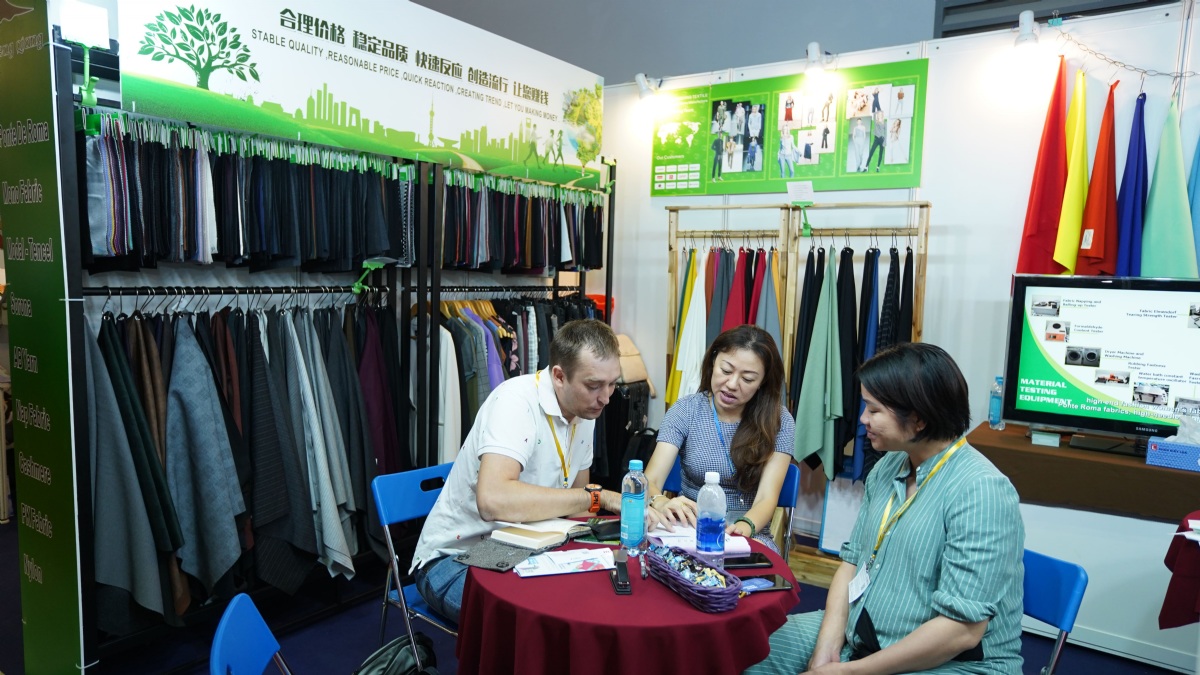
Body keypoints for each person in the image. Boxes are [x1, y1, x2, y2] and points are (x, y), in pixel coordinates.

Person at [747, 343, 1024, 675]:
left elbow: (961, 631)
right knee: (743, 649)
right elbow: (852, 563)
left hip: (952, 662)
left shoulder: (981, 491)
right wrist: (826, 649)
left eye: (874, 410)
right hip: (864, 632)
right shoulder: (888, 466)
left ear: (918, 419)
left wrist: (847, 672)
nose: (863, 419)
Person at [410, 319, 625, 623]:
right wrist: (598, 497)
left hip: (528, 545)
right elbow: (493, 501)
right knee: (542, 622)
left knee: (594, 600)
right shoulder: (515, 402)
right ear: (559, 376)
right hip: (458, 557)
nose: (605, 398)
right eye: (593, 386)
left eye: (612, 384)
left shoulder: (584, 409)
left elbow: (577, 514)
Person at [643, 325, 796, 552]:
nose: (732, 385)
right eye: (726, 370)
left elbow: (766, 497)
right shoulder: (686, 410)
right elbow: (651, 480)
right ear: (713, 362)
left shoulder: (779, 421)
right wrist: (661, 501)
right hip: (688, 528)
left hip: (748, 532)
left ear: (762, 382)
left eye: (748, 379)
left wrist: (742, 528)